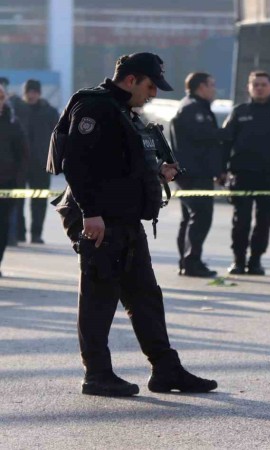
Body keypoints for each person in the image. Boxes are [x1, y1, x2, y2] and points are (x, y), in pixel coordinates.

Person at [52, 53, 217, 396]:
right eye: (150, 85)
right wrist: (90, 213)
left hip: (124, 218)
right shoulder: (94, 106)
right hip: (99, 218)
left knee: (145, 295)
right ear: (130, 80)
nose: (153, 94)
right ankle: (96, 374)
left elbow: (118, 163)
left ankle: (166, 369)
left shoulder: (124, 112)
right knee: (99, 296)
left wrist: (157, 171)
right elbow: (76, 162)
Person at [222, 71, 270, 275]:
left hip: (269, 175)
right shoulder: (239, 111)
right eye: (256, 84)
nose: (260, 88)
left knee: (264, 221)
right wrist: (222, 169)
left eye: (263, 84)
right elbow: (226, 141)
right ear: (249, 88)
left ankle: (255, 260)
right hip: (242, 174)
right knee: (240, 221)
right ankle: (238, 260)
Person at [171, 72, 225, 278]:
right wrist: (227, 133)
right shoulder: (192, 109)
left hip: (193, 172)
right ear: (201, 87)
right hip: (193, 173)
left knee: (190, 218)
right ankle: (191, 262)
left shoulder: (197, 106)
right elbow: (205, 140)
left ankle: (188, 261)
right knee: (200, 216)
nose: (214, 89)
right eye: (211, 85)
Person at [15, 79, 59, 244]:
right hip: (19, 164)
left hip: (41, 163)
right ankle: (19, 233)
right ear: (24, 93)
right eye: (28, 92)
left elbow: (58, 136)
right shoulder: (16, 109)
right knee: (17, 200)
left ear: (39, 93)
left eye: (34, 92)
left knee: (39, 201)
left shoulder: (49, 112)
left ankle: (36, 234)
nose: (31, 95)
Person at [0, 84, 28, 276]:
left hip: (6, 183)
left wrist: (18, 180)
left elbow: (23, 154)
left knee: (2, 227)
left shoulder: (12, 122)